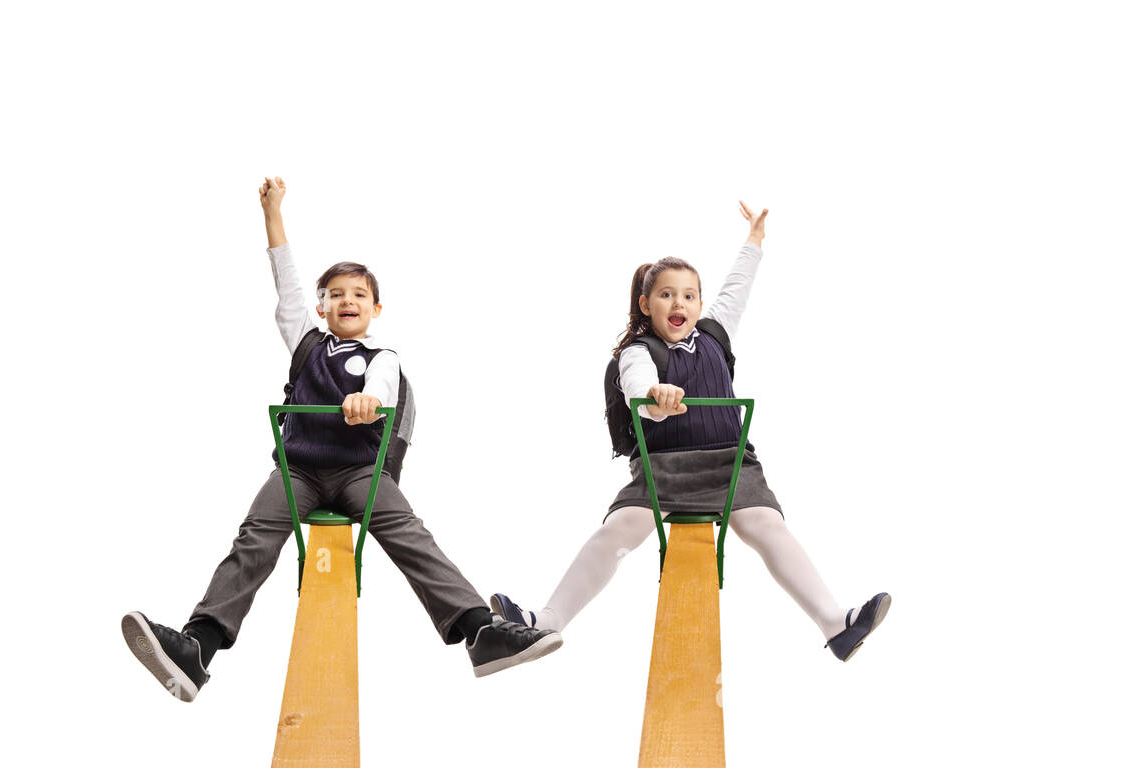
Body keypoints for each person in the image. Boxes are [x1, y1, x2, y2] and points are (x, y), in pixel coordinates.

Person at [122, 177, 561, 701]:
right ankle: (197, 648)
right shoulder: (305, 344)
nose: (347, 300)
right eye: (335, 296)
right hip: (299, 469)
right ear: (322, 307)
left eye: (360, 295)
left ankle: (480, 631)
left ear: (376, 309)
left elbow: (379, 392)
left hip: (360, 471)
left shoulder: (384, 360)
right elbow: (285, 281)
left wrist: (365, 402)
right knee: (255, 538)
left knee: (409, 535)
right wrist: (273, 215)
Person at [490, 202, 890, 662]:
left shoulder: (716, 334)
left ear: (700, 304)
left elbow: (739, 284)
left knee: (767, 525)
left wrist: (755, 239)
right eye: (665, 295)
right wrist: (657, 398)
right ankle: (546, 620)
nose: (678, 304)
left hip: (730, 462)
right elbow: (640, 393)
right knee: (618, 531)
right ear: (645, 304)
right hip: (664, 470)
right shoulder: (638, 353)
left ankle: (834, 622)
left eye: (688, 296)